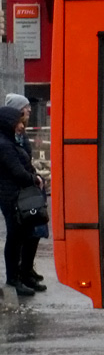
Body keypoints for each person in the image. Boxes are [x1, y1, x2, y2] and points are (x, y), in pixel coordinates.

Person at [0, 103, 44, 297]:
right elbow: (17, 170)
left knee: (21, 235)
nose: (21, 125)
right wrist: (34, 178)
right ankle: (13, 279)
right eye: (18, 121)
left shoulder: (10, 141)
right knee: (15, 237)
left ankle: (19, 276)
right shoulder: (5, 145)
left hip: (16, 195)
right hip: (11, 197)